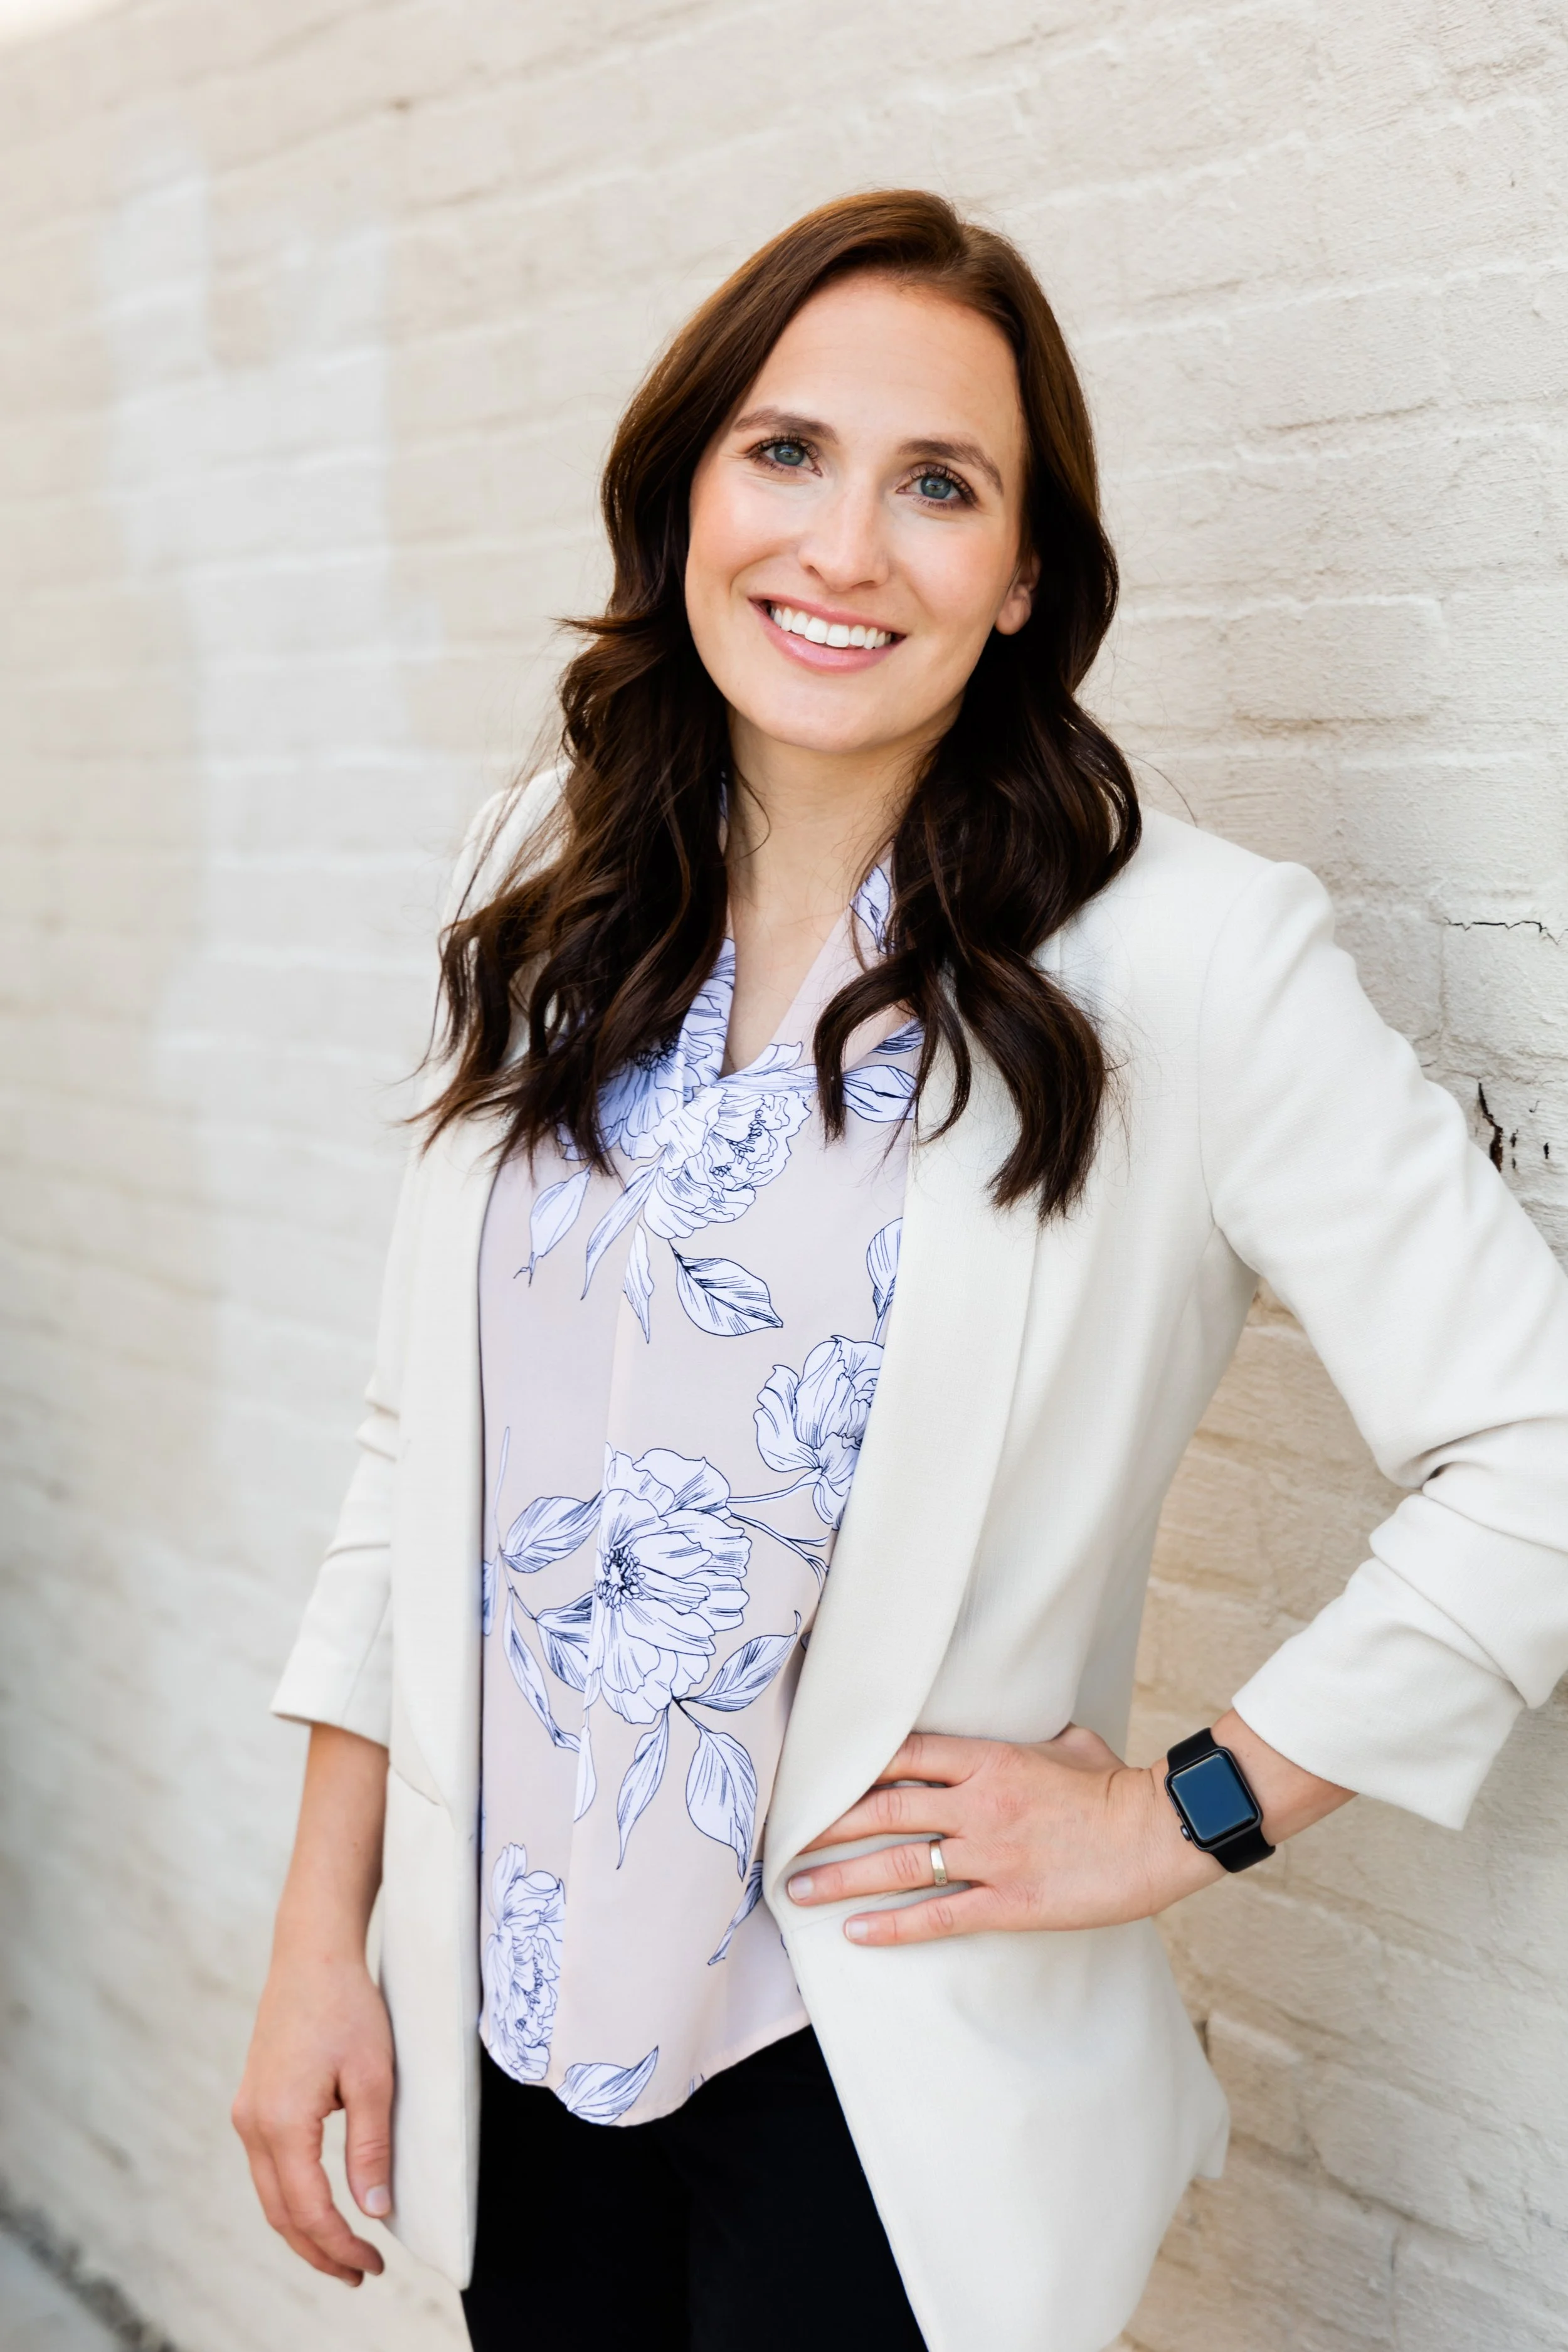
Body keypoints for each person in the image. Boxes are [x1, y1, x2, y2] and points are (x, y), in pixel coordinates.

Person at [232, 190, 1568, 2352]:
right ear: (686, 487)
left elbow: (1536, 1443)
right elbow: (426, 1454)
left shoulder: (1182, 962)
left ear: (1022, 577)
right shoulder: (541, 885)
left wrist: (1180, 1813)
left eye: (937, 485)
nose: (843, 547)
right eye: (786, 453)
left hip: (873, 2092)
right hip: (511, 2028)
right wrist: (323, 1932)